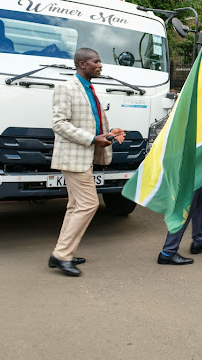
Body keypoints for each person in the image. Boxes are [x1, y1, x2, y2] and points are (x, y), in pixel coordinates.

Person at [48, 48, 125, 277]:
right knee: (89, 204)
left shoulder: (89, 88)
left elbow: (90, 121)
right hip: (73, 157)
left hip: (84, 157)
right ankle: (62, 255)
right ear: (82, 64)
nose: (100, 65)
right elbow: (59, 124)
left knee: (75, 206)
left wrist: (108, 134)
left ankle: (62, 253)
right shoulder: (66, 87)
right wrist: (92, 139)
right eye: (96, 61)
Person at [158, 177, 202, 265]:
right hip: (192, 172)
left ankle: (199, 241)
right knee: (185, 210)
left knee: (201, 199)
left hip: (197, 173)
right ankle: (168, 251)